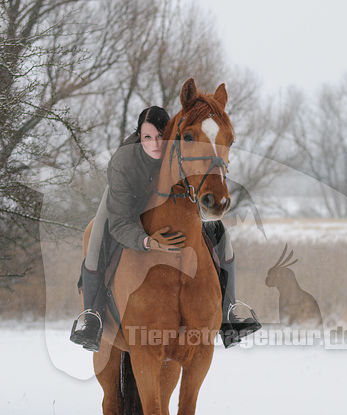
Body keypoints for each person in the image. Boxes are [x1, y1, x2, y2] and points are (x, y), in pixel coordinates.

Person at [70, 106, 260, 351]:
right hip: (126, 202)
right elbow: (120, 222)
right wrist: (147, 241)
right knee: (97, 234)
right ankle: (92, 316)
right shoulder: (123, 161)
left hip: (169, 201)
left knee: (220, 231)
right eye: (148, 137)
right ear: (139, 136)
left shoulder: (179, 149)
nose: (156, 143)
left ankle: (229, 312)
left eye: (161, 136)